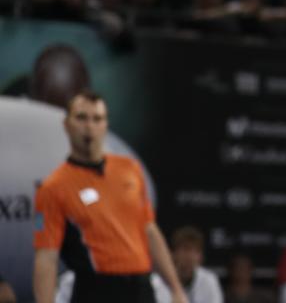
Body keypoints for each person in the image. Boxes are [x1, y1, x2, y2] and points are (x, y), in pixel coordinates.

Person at [32, 90, 188, 303]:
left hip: (141, 288)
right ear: (66, 124)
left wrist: (176, 288)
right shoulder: (53, 187)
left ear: (106, 125)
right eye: (81, 118)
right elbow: (46, 257)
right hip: (96, 289)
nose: (89, 126)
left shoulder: (130, 169)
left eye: (97, 119)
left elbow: (149, 230)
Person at [150, 230, 219, 303]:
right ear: (174, 253)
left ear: (201, 256)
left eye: (196, 251)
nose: (191, 256)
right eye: (186, 249)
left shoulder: (209, 280)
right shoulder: (157, 282)